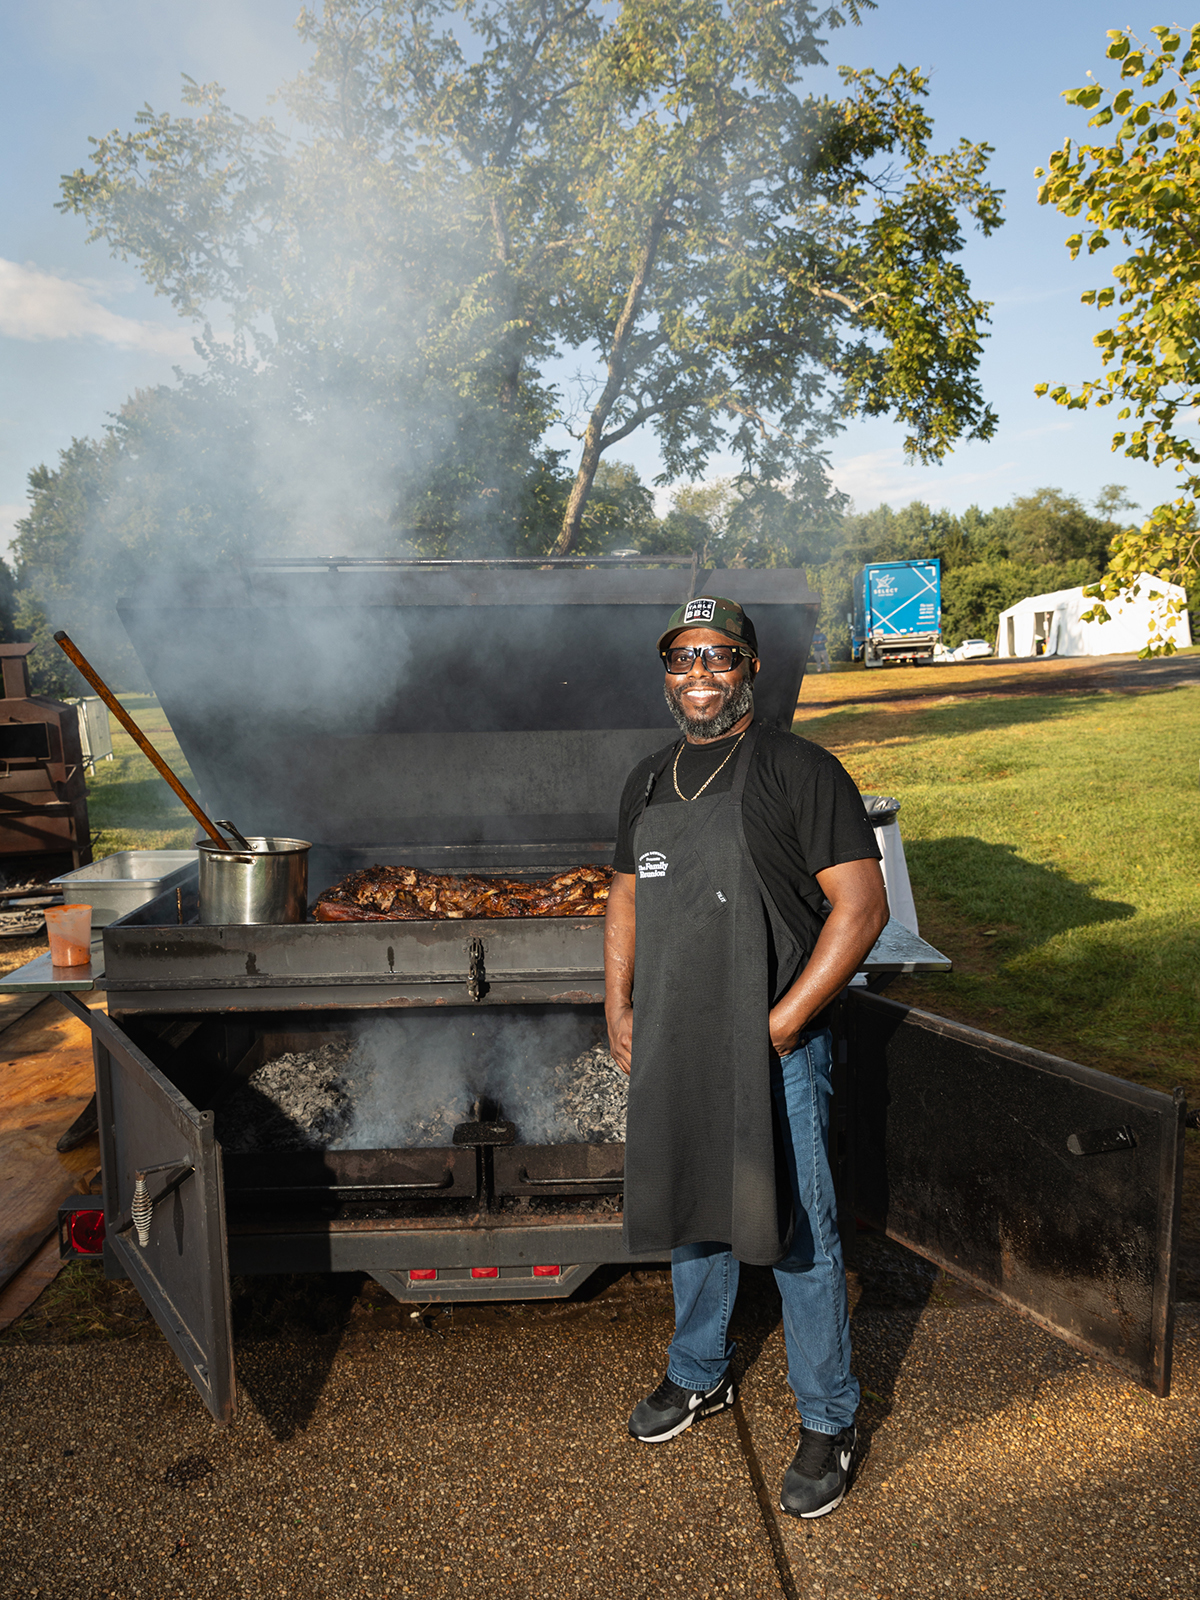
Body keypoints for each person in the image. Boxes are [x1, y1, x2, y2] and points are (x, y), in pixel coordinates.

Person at [604, 594, 888, 1519]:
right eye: (682, 658)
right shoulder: (648, 780)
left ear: (750, 669)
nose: (699, 674)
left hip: (773, 1046)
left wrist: (784, 1021)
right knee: (695, 1209)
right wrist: (617, 1002)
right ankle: (699, 1372)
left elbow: (862, 908)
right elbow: (624, 897)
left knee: (798, 1231)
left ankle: (829, 1418)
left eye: (718, 656)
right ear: (667, 672)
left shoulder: (798, 769)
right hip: (678, 1039)